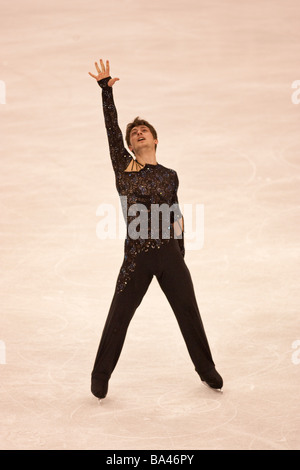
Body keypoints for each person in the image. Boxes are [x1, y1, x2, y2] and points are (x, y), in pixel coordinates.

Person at [88, 59, 223, 399]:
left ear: (155, 139)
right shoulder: (125, 169)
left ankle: (206, 370)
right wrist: (107, 91)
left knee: (188, 312)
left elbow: (176, 213)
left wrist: (180, 253)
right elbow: (110, 129)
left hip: (168, 254)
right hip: (136, 255)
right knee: (119, 314)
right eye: (134, 133)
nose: (138, 132)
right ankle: (100, 373)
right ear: (131, 146)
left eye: (143, 130)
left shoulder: (170, 174)